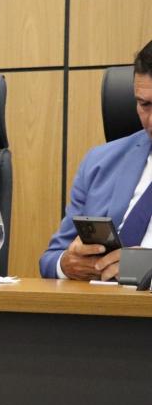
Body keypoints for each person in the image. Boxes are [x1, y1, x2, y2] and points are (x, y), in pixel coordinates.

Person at [40, 39, 152, 280]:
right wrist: (66, 264)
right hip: (97, 300)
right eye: (145, 105)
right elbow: (50, 259)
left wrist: (143, 268)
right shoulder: (100, 162)